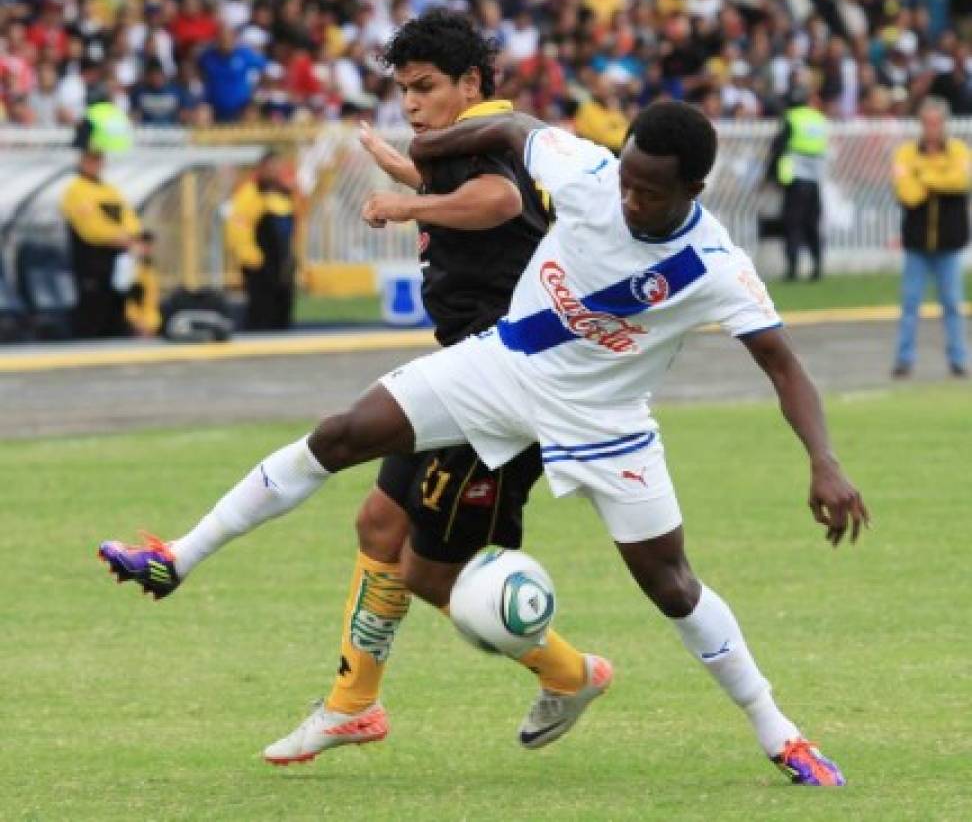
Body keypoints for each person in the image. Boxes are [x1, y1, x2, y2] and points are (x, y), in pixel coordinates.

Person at [99, 101, 869, 786]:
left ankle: (781, 734)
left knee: (670, 585)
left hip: (606, 426)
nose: (629, 197)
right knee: (341, 436)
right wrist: (427, 160)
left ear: (693, 193)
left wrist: (825, 463)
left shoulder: (714, 268)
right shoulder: (587, 170)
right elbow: (509, 128)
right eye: (628, 178)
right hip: (500, 369)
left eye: (650, 191)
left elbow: (784, 364)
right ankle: (179, 556)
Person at [108, 10, 604, 763]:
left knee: (436, 578)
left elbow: (500, 202)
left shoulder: (492, 135)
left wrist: (410, 202)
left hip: (502, 395)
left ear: (471, 84)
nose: (411, 104)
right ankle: (351, 703)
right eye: (403, 89)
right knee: (378, 524)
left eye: (426, 87)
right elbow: (499, 204)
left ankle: (572, 674)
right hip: (461, 378)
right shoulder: (472, 144)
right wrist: (408, 172)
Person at [890, 97, 970, 378]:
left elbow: (960, 181)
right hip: (917, 243)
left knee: (952, 304)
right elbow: (907, 194)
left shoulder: (959, 150)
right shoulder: (905, 153)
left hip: (949, 242)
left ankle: (959, 359)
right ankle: (904, 359)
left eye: (937, 123)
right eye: (927, 123)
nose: (932, 128)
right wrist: (938, 176)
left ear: (944, 124)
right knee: (910, 305)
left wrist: (922, 174)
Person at [60, 104, 141, 338]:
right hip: (91, 264)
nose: (97, 163)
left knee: (116, 312)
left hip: (116, 265)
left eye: (99, 158)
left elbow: (129, 217)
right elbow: (91, 228)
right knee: (91, 314)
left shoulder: (109, 190)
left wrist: (133, 236)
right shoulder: (76, 190)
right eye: (92, 158)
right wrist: (123, 239)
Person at [225, 151, 299, 332]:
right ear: (262, 168)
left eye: (278, 168)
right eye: (271, 168)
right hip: (259, 265)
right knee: (261, 315)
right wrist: (250, 257)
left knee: (282, 315)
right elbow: (238, 228)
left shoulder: (284, 195)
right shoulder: (249, 194)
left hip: (282, 265)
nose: (275, 172)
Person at [765, 86, 828, 281]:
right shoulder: (818, 119)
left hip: (794, 179)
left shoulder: (791, 118)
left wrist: (769, 175)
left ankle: (792, 269)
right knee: (812, 225)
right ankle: (817, 267)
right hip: (815, 179)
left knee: (792, 225)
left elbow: (778, 148)